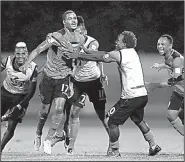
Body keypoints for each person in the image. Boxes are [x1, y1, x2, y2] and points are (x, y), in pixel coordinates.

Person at [64, 31, 161, 157]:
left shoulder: (121, 54)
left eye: (119, 40)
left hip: (131, 96)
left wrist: (79, 55)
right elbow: (104, 54)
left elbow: (100, 57)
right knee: (139, 120)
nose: (116, 41)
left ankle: (114, 151)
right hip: (142, 95)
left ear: (124, 44)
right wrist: (87, 51)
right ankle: (153, 145)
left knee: (111, 121)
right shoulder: (132, 53)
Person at [20, 10, 85, 154]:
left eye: (75, 18)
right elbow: (38, 50)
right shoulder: (56, 36)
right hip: (48, 77)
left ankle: (49, 139)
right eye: (70, 18)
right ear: (64, 22)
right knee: (44, 111)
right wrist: (27, 63)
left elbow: (77, 61)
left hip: (63, 78)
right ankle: (38, 133)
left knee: (59, 108)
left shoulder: (81, 39)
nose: (73, 20)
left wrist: (73, 81)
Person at [50, 16, 109, 154]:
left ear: (85, 31)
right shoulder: (71, 42)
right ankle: (70, 146)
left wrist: (102, 74)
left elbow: (95, 55)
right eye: (76, 32)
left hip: (94, 82)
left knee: (102, 115)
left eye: (81, 32)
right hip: (78, 83)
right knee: (72, 112)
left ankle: (113, 142)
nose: (79, 35)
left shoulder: (92, 41)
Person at [1, 42, 38, 152]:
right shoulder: (7, 61)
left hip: (21, 97)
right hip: (4, 93)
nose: (21, 56)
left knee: (12, 126)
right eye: (18, 53)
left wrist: (20, 105)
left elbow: (31, 93)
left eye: (23, 53)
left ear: (27, 54)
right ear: (14, 54)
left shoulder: (33, 68)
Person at [151, 34, 184, 136]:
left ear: (170, 46)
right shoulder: (168, 55)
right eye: (158, 44)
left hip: (182, 89)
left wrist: (154, 85)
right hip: (180, 91)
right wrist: (161, 66)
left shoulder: (177, 59)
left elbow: (176, 79)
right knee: (171, 115)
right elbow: (169, 64)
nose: (160, 46)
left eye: (163, 44)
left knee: (180, 116)